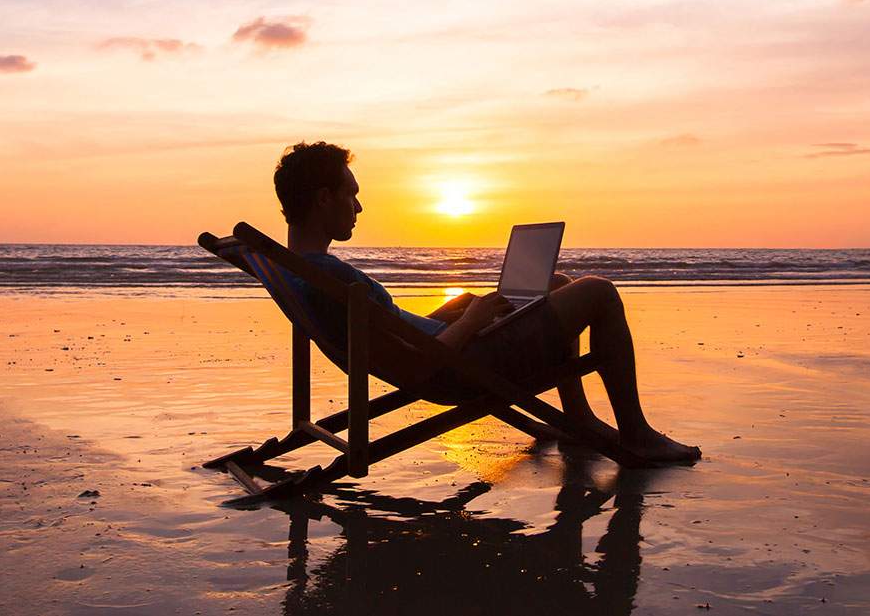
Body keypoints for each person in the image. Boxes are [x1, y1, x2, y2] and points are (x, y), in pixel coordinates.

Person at [274, 140, 700, 463]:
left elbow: (396, 337)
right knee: (598, 292)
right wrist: (473, 320)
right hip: (461, 367)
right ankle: (636, 435)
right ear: (324, 198)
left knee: (557, 282)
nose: (359, 206)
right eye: (351, 194)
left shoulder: (299, 270)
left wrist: (458, 308)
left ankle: (578, 417)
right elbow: (415, 366)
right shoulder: (329, 277)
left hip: (452, 347)